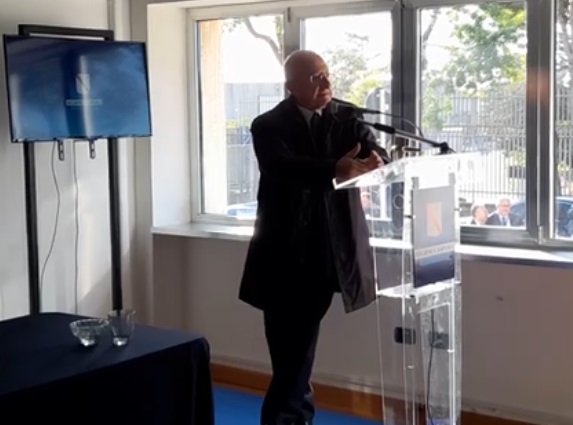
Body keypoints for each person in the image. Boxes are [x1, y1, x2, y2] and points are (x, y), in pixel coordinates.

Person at [239, 50, 390, 425]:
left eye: (326, 74)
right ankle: (289, 418)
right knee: (291, 356)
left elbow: (376, 149)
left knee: (298, 355)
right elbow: (283, 168)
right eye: (314, 78)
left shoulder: (347, 115)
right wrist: (336, 169)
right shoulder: (268, 125)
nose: (325, 83)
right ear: (291, 86)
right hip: (284, 255)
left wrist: (375, 161)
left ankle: (293, 418)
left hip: (332, 252)